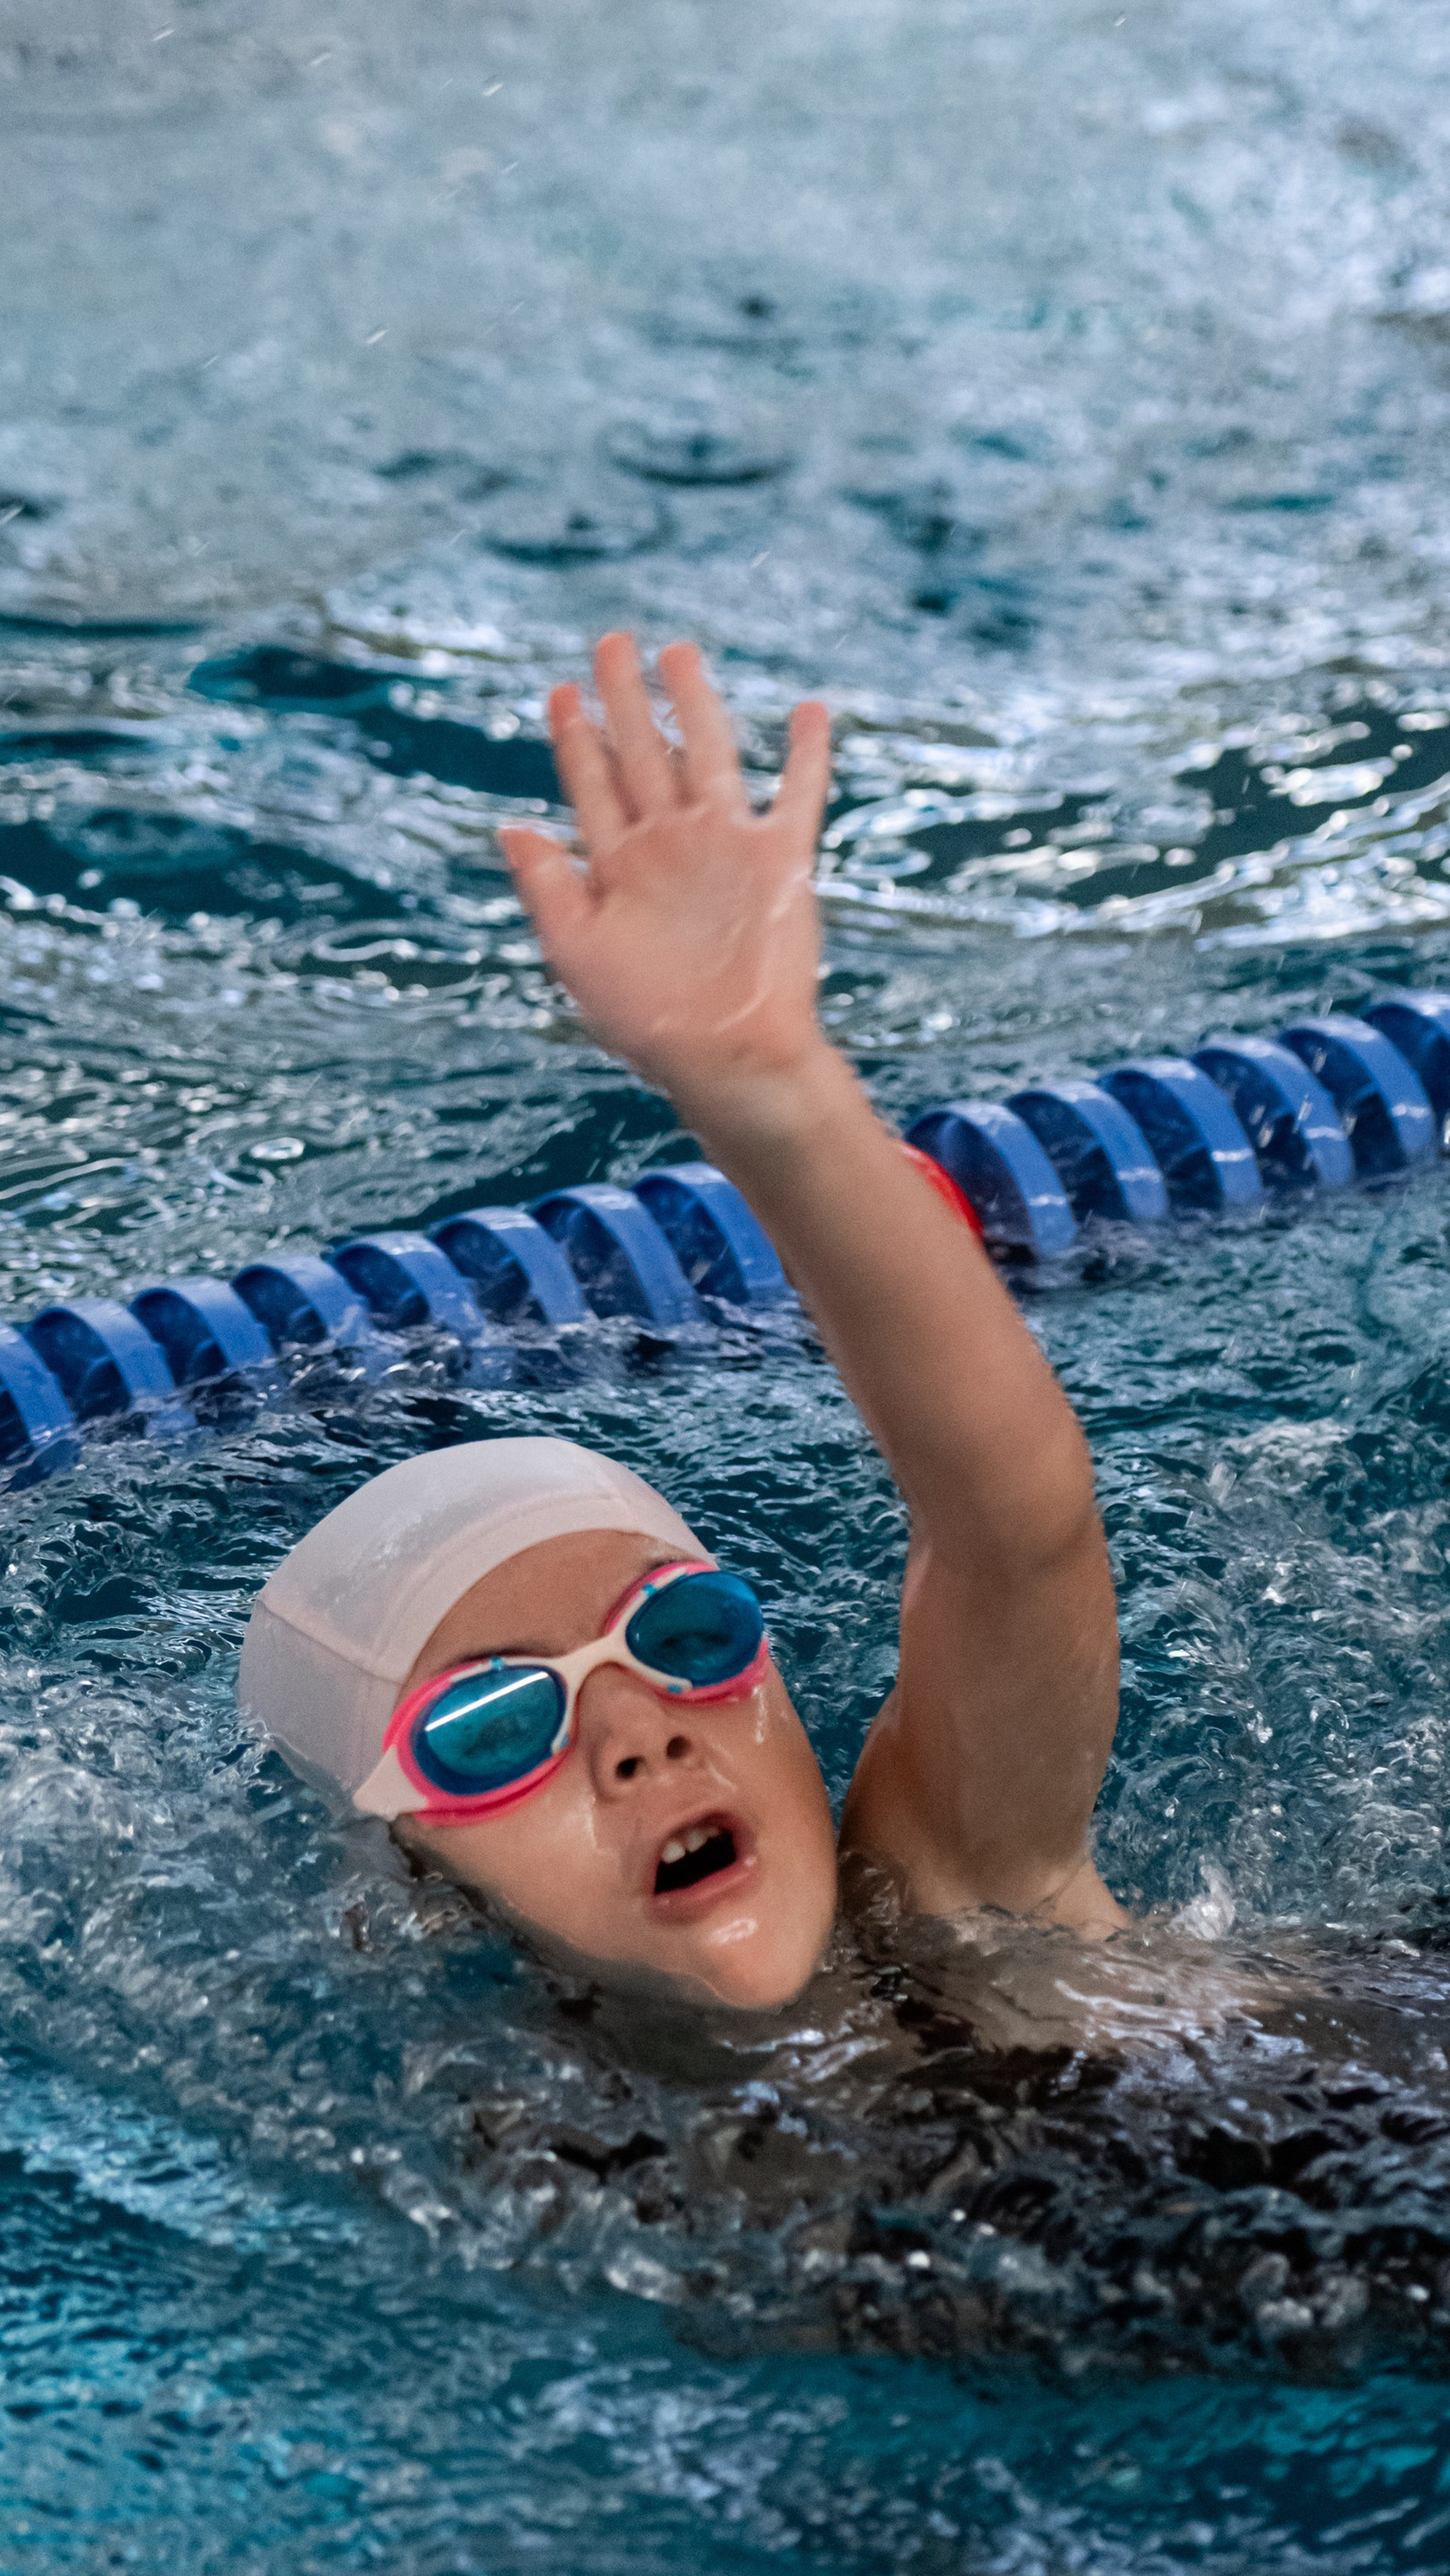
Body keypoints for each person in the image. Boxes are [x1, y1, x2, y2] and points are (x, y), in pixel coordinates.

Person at [241, 633, 1123, 2011]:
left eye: (685, 1634)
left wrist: (770, 1086)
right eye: (489, 1726)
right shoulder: (504, 2194)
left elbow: (1014, 1533)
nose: (636, 1731)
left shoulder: (955, 1905)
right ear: (399, 1884)